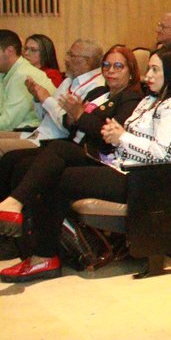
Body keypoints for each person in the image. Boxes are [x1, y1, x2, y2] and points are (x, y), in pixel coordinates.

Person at [0, 48, 171, 283]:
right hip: (118, 165)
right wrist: (114, 134)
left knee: (57, 177)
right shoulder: (150, 100)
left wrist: (121, 137)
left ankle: (43, 255)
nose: (148, 76)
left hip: (140, 180)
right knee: (59, 150)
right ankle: (20, 215)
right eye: (148, 69)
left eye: (155, 70)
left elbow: (163, 154)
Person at [0, 45, 143, 264]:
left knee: (59, 150)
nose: (110, 71)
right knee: (17, 161)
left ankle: (17, 207)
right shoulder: (98, 93)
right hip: (76, 147)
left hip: (98, 157)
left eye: (118, 66)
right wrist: (71, 116)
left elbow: (109, 138)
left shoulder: (131, 99)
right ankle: (11, 234)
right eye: (106, 65)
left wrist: (78, 115)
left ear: (131, 72)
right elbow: (73, 126)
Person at [0, 39, 104, 155]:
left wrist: (47, 99)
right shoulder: (69, 81)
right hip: (37, 133)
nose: (66, 59)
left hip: (52, 142)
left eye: (71, 55)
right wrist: (37, 98)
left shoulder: (96, 88)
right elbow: (45, 117)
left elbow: (67, 128)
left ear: (87, 61)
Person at [0, 30, 53, 132]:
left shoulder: (24, 75)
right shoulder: (4, 72)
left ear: (9, 51)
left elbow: (8, 122)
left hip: (37, 133)